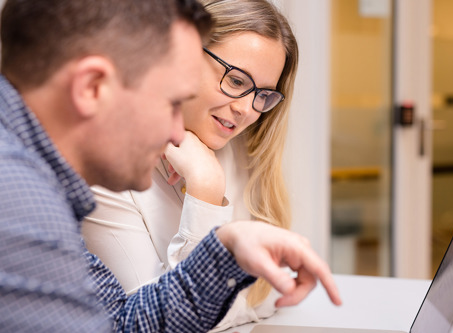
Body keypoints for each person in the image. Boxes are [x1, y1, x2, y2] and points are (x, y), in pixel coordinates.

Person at [0, 0, 342, 332]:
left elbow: (122, 322)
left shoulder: (38, 186)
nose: (176, 133)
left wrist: (226, 245)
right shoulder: (22, 201)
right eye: (171, 101)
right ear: (91, 88)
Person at [82, 0, 298, 330]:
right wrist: (205, 187)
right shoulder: (105, 170)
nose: (246, 111)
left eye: (263, 94)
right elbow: (159, 326)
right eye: (237, 81)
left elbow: (268, 298)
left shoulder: (240, 146)